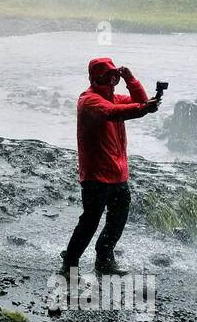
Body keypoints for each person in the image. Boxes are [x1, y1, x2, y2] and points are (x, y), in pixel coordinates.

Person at [60, 58, 161, 276]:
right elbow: (114, 113)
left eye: (114, 74)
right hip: (96, 176)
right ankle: (69, 263)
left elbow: (141, 102)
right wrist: (143, 108)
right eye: (109, 75)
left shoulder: (114, 98)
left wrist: (130, 79)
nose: (113, 78)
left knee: (117, 221)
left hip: (118, 175)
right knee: (90, 222)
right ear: (96, 77)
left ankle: (104, 260)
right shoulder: (88, 101)